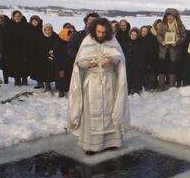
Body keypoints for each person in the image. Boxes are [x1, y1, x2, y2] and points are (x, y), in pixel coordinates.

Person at [68, 18, 129, 155]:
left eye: (103, 32)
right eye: (98, 32)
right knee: (91, 113)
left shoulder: (113, 41)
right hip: (92, 83)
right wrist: (89, 63)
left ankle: (112, 142)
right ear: (94, 30)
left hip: (109, 81)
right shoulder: (87, 41)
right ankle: (92, 145)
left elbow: (121, 59)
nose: (101, 35)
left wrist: (112, 60)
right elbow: (79, 63)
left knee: (110, 111)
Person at [155, 8, 187, 90]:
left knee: (172, 69)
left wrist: (177, 42)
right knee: (162, 69)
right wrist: (161, 41)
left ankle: (171, 87)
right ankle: (161, 87)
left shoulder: (180, 25)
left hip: (174, 52)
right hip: (163, 51)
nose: (169, 17)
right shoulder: (163, 24)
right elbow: (158, 35)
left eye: (171, 16)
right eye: (168, 16)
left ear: (175, 16)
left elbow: (184, 37)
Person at [2, 10, 32, 86]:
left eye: (18, 16)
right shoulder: (9, 25)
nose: (17, 18)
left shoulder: (26, 25)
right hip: (13, 50)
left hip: (24, 49)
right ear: (13, 17)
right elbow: (6, 38)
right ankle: (17, 80)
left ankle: (25, 81)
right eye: (15, 16)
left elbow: (30, 37)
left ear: (21, 16)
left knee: (25, 66)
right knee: (15, 66)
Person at [37, 24, 58, 93]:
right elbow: (38, 48)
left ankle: (56, 86)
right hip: (42, 58)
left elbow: (57, 46)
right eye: (46, 30)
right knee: (45, 73)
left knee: (53, 72)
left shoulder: (55, 36)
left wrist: (52, 53)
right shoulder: (40, 37)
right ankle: (47, 85)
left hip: (52, 58)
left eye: (49, 30)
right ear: (44, 30)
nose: (48, 32)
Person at [123, 28, 143, 94]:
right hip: (127, 63)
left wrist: (140, 64)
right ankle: (128, 90)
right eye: (132, 34)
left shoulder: (139, 43)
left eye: (135, 35)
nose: (133, 36)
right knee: (128, 77)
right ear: (130, 34)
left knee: (136, 77)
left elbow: (141, 55)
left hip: (136, 64)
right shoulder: (126, 42)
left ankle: (136, 90)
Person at [54, 27, 73, 97]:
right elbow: (57, 58)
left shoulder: (70, 43)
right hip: (61, 66)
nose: (69, 37)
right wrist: (60, 69)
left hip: (69, 65)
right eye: (68, 35)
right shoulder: (58, 44)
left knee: (68, 79)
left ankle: (67, 91)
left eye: (70, 36)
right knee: (61, 79)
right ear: (64, 35)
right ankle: (61, 92)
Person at [140, 25, 158, 91]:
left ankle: (150, 86)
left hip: (148, 61)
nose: (143, 33)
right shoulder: (139, 39)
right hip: (141, 61)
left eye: (145, 31)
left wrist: (149, 63)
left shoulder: (150, 40)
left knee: (149, 75)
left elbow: (151, 52)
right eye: (142, 31)